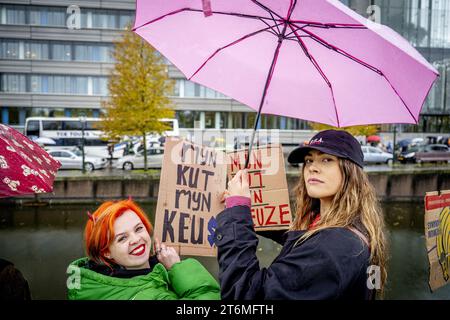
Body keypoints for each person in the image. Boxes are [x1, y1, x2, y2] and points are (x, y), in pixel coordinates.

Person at [215, 130, 388, 300]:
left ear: (350, 172)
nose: (312, 167)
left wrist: (237, 211)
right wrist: (242, 212)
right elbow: (299, 240)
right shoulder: (346, 227)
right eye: (309, 160)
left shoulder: (334, 247)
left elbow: (245, 294)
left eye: (326, 160)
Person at [67, 199, 220, 300]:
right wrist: (177, 268)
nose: (136, 239)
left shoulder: (96, 282)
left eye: (139, 228)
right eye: (122, 238)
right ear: (106, 251)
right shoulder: (145, 295)